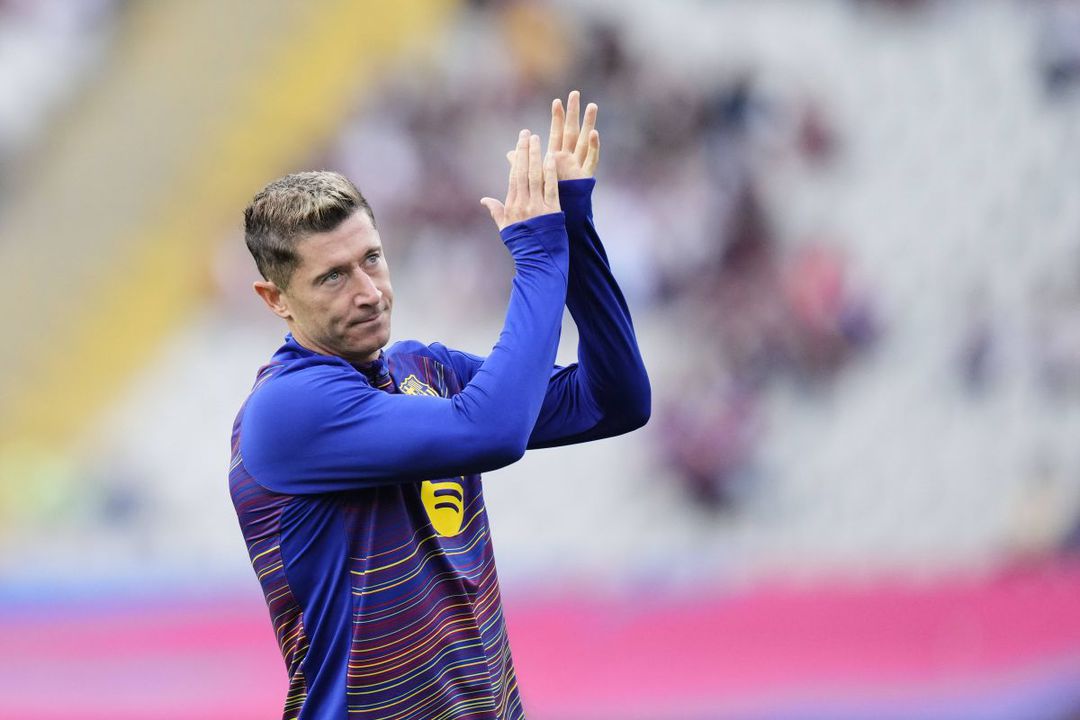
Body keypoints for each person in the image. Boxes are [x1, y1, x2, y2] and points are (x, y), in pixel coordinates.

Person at [229, 92, 650, 720]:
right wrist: (539, 256)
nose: (369, 292)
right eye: (333, 276)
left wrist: (574, 229)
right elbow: (492, 431)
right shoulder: (287, 409)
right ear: (275, 299)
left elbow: (614, 400)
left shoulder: (425, 371)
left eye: (372, 259)